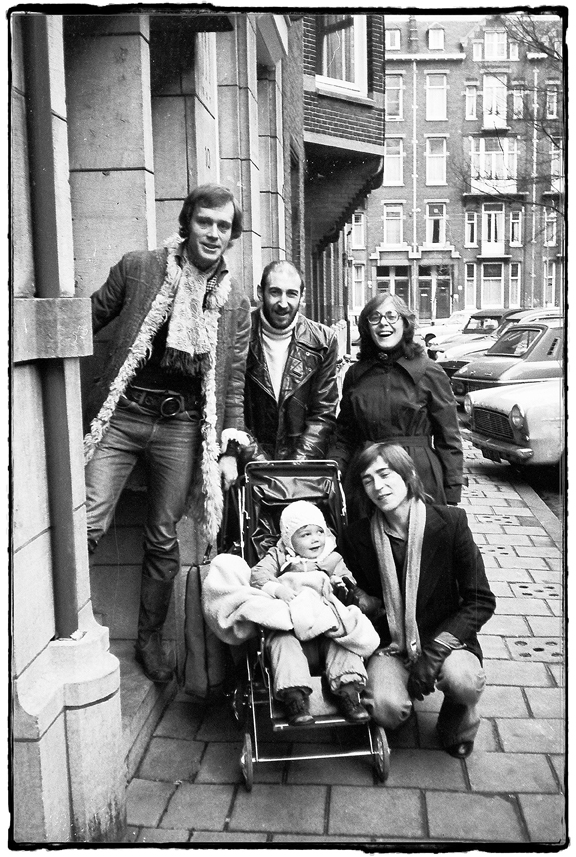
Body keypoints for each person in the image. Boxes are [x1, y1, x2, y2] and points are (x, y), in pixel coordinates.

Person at [83, 184, 251, 683]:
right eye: (205, 222)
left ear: (232, 234)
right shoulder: (139, 267)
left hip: (181, 426)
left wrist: (227, 447)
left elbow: (233, 381)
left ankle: (150, 639)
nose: (214, 233)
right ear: (188, 223)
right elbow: (86, 317)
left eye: (224, 226)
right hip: (124, 415)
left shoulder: (235, 300)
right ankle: (65, 625)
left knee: (162, 538)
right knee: (88, 519)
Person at [340, 443, 496, 758]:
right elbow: (355, 597)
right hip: (390, 641)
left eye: (385, 474)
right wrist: (358, 598)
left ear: (408, 474)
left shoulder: (450, 523)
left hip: (444, 634)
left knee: (464, 681)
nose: (378, 487)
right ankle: (400, 690)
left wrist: (436, 651)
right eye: (368, 480)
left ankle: (456, 724)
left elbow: (480, 599)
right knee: (385, 708)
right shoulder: (356, 537)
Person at [329, 293, 464, 519]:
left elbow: (448, 437)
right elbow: (344, 435)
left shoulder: (429, 372)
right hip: (367, 479)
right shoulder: (356, 374)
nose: (384, 323)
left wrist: (452, 493)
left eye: (392, 316)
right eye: (375, 317)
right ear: (367, 327)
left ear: (405, 323)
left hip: (418, 476)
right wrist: (334, 471)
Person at [250, 500, 379, 726]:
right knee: (281, 642)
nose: (316, 538)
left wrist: (342, 585)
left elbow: (349, 580)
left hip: (324, 626)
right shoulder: (279, 555)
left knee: (343, 642)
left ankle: (349, 692)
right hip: (291, 623)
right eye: (306, 534)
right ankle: (294, 698)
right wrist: (278, 589)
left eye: (320, 531)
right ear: (289, 539)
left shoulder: (332, 557)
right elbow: (258, 575)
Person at [243, 260, 339, 461]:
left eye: (292, 294)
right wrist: (260, 463)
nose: (283, 303)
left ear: (301, 297)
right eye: (275, 292)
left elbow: (323, 414)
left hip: (301, 465)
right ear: (261, 292)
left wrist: (294, 468)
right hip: (250, 464)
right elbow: (231, 406)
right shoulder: (240, 333)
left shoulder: (323, 340)